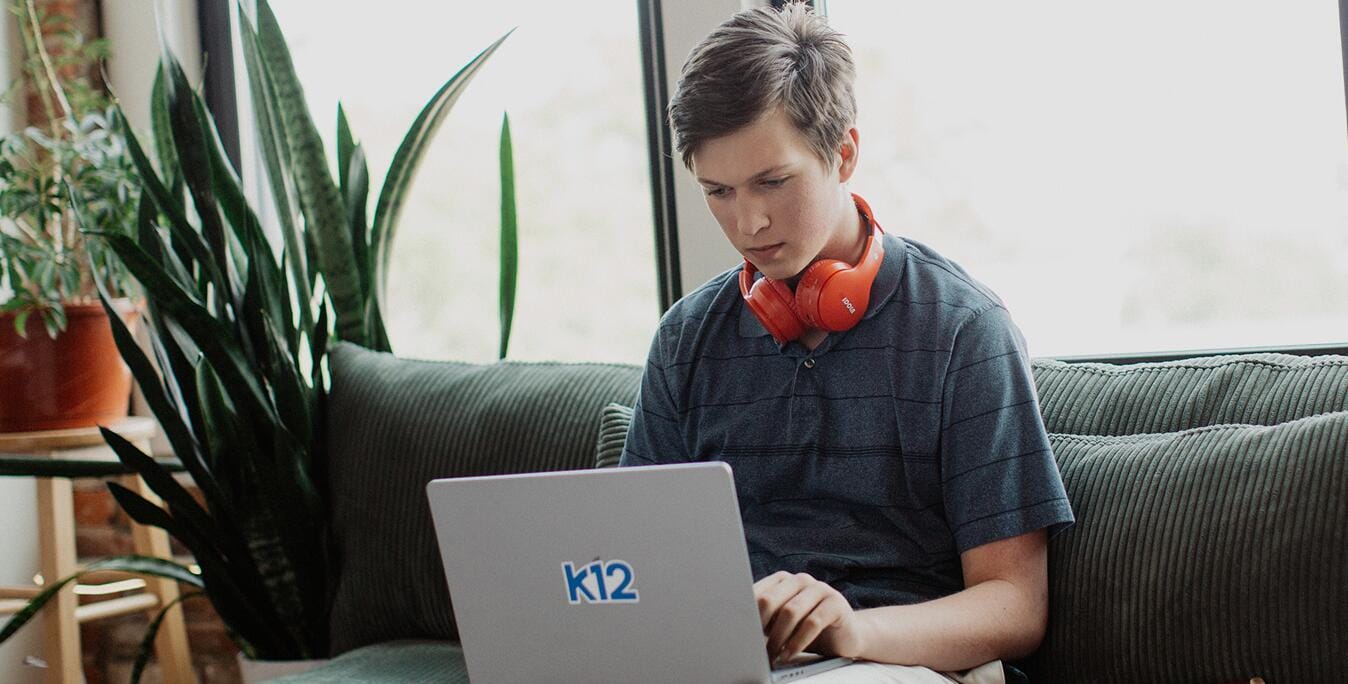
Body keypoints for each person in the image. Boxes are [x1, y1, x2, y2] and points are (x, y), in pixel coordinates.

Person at [618, 3, 1074, 682]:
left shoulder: (963, 330)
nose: (749, 221)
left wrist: (852, 632)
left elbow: (1014, 606)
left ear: (845, 153)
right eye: (719, 191)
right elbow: (635, 566)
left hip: (901, 660)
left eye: (773, 181)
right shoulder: (687, 337)